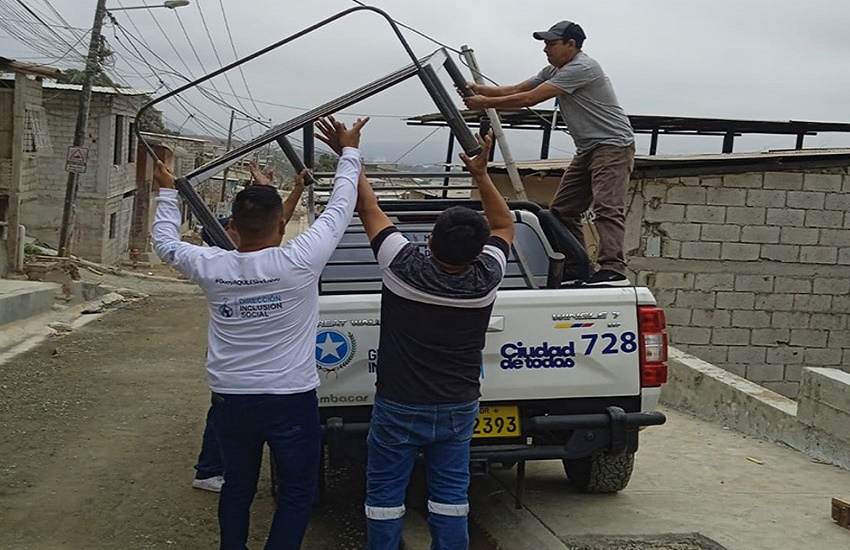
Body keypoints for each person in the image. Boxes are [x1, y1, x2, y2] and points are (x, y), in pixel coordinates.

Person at [152, 115, 368, 549]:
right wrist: (349, 151)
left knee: (237, 487)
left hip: (232, 397)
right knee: (297, 490)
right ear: (279, 224)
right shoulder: (299, 260)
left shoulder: (211, 264)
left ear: (233, 225)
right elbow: (342, 206)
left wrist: (166, 190)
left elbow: (164, 243)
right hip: (290, 399)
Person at [353, 132, 514, 549]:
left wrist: (349, 152)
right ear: (482, 250)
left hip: (399, 405)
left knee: (385, 498)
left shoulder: (401, 266)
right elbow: (504, 223)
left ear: (428, 240)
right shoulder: (486, 279)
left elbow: (368, 206)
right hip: (459, 406)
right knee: (450, 498)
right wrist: (481, 174)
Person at [462, 20, 635, 286]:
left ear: (571, 45)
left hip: (612, 146)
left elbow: (529, 100)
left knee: (607, 207)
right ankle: (579, 267)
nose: (546, 49)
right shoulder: (555, 68)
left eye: (551, 44)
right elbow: (520, 89)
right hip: (588, 148)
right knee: (562, 211)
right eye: (545, 44)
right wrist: (481, 90)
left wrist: (484, 103)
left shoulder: (582, 68)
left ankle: (613, 268)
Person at [192, 161, 307, 494]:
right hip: (239, 355)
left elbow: (274, 220)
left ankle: (215, 469)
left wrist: (290, 189)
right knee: (223, 414)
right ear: (231, 228)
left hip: (235, 355)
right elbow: (272, 222)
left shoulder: (240, 244)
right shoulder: (224, 248)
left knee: (226, 411)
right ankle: (209, 468)